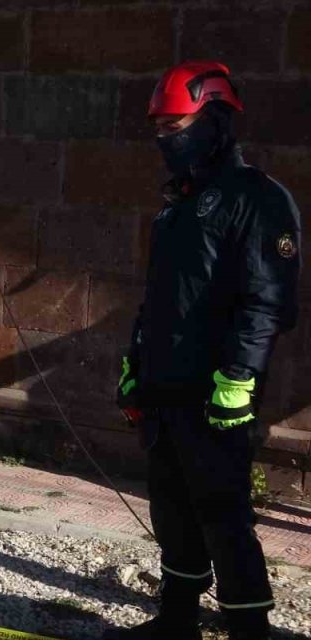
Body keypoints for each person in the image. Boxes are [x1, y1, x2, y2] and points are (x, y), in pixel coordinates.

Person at [104, 61, 300, 640]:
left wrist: (240, 377)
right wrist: (135, 364)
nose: (165, 139)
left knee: (223, 514)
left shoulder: (258, 200)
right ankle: (177, 619)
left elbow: (267, 302)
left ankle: (248, 629)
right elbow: (157, 298)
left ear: (213, 120)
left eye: (176, 126)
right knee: (170, 508)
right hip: (164, 385)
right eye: (159, 128)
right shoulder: (176, 205)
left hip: (216, 390)